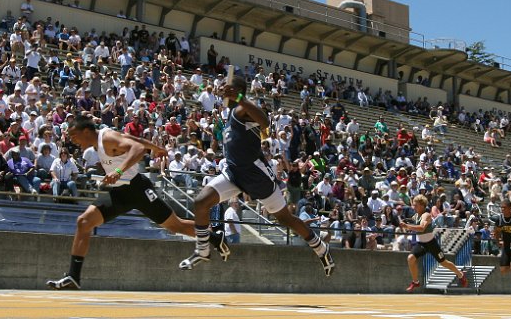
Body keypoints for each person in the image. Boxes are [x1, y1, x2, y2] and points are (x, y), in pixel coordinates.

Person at [46, 114, 228, 290]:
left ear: (86, 131)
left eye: (73, 135)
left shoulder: (107, 138)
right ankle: (73, 276)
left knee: (175, 226)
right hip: (118, 193)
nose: (72, 140)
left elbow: (137, 149)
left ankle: (214, 236)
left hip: (138, 189)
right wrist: (155, 147)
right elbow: (130, 138)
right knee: (84, 222)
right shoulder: (103, 140)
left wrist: (118, 171)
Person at [179, 76, 335, 276]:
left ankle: (320, 247)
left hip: (256, 175)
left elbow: (265, 121)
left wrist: (241, 98)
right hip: (234, 174)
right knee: (201, 202)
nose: (225, 90)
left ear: (239, 91)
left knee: (286, 219)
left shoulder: (242, 109)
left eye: (230, 89)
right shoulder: (230, 114)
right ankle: (203, 249)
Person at [401, 194, 468, 292]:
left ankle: (460, 274)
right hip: (421, 244)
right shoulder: (415, 216)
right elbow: (413, 223)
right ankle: (415, 282)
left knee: (444, 262)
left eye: (416, 205)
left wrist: (407, 226)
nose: (414, 207)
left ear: (422, 205)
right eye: (414, 205)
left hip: (431, 243)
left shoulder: (426, 215)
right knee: (410, 258)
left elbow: (422, 228)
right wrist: (404, 222)